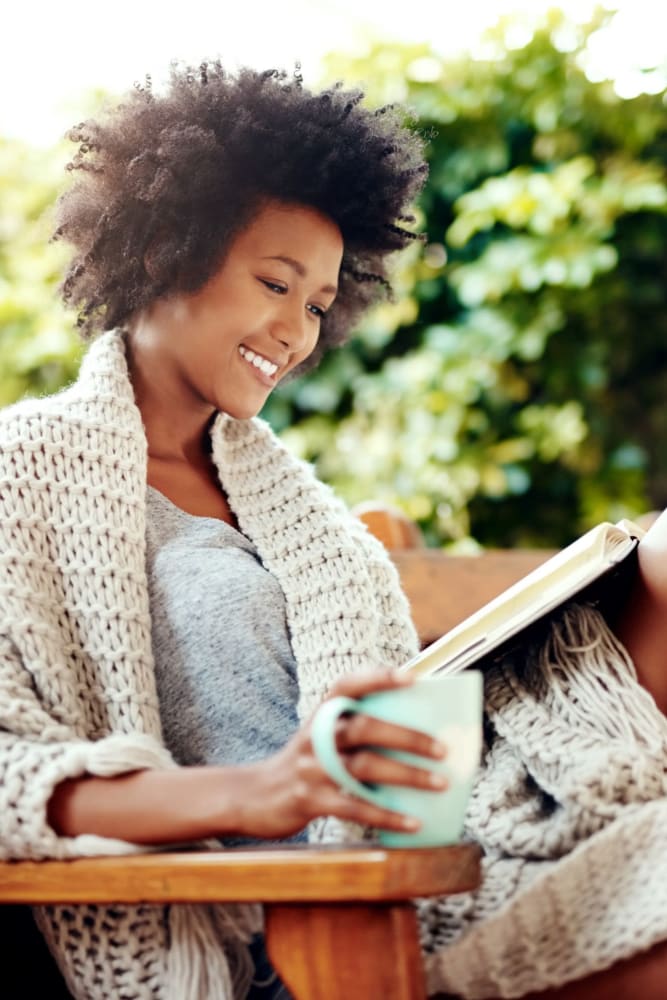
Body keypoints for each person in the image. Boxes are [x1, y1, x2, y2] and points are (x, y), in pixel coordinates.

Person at [1, 60, 667, 1000]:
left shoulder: (303, 516)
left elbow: (394, 747)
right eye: (274, 283)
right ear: (163, 251)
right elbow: (7, 769)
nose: (296, 331)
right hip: (281, 919)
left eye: (316, 304)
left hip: (429, 853)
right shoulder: (22, 473)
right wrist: (262, 791)